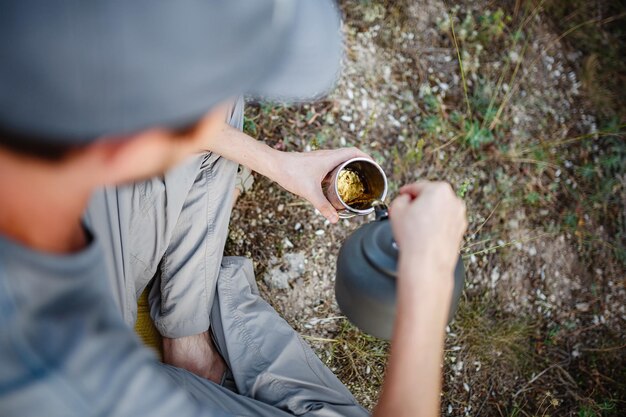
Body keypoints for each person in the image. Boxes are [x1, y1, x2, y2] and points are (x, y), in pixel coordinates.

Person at [0, 1, 467, 417]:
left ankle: (186, 337)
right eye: (183, 120)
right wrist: (428, 280)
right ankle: (193, 338)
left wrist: (280, 165)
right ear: (120, 145)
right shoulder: (65, 377)